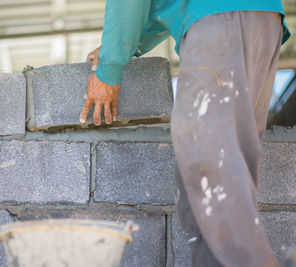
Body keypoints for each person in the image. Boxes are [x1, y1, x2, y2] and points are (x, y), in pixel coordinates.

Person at [79, 1, 292, 266]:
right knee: (221, 175)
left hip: (221, 17)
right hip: (254, 19)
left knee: (209, 170)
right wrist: (124, 46)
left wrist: (109, 68)